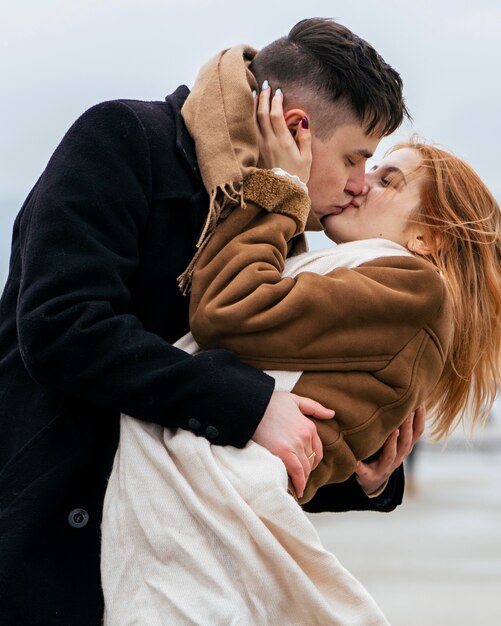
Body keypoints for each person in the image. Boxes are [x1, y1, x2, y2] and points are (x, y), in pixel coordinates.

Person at [0, 18, 420, 625]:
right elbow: (61, 327)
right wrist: (252, 405)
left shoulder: (272, 226)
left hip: (175, 573)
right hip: (47, 547)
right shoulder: (125, 138)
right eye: (356, 158)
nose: (358, 186)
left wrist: (359, 476)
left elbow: (214, 451)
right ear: (297, 128)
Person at [101, 88, 501, 624]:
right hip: (218, 511)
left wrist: (280, 189)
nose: (361, 184)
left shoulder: (412, 288)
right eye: (365, 165)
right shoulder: (378, 284)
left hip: (205, 505)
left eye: (388, 180)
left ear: (430, 236)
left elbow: (228, 311)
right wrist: (369, 483)